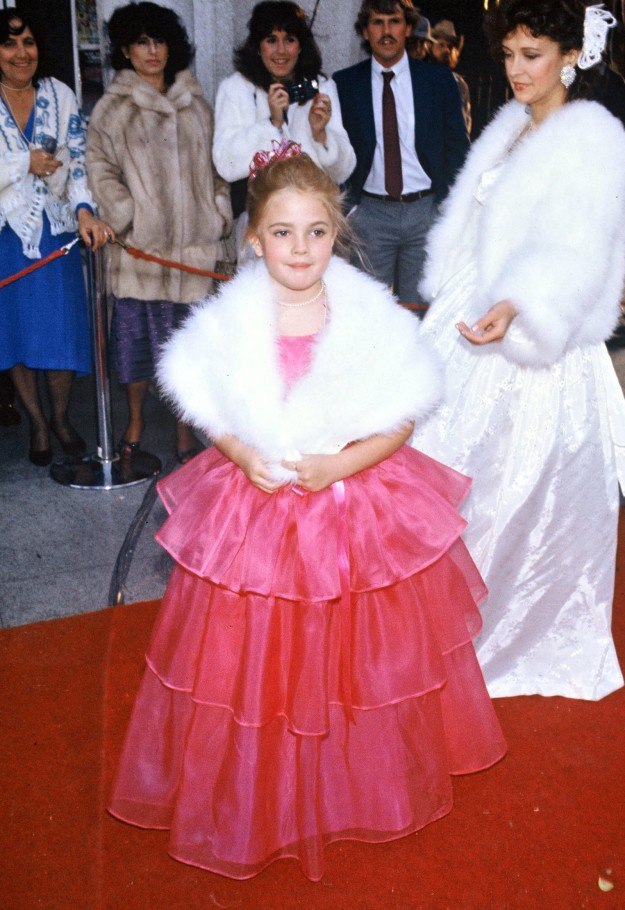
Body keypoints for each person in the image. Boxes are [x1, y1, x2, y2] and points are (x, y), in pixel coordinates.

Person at [107, 146, 506, 880]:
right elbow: (210, 405)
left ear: (337, 233)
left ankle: (350, 780)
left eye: (316, 232)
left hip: (352, 504)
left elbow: (403, 415)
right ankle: (263, 789)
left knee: (357, 656)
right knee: (256, 657)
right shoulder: (227, 322)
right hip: (254, 510)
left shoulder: (369, 317)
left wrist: (338, 466)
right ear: (254, 239)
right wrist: (239, 454)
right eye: (283, 233)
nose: (300, 249)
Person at [412, 0, 625, 700]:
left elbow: (580, 251)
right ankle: (434, 629)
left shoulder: (591, 136)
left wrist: (515, 306)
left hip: (538, 334)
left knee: (515, 488)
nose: (514, 70)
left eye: (530, 55)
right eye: (506, 55)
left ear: (569, 55)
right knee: (443, 468)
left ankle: (503, 631)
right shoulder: (507, 127)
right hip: (469, 311)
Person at [87, 2, 232, 465]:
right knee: (134, 348)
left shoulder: (198, 105)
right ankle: (134, 421)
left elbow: (220, 171)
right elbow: (99, 168)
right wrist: (127, 215)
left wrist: (219, 213)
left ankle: (184, 429)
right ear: (126, 51)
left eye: (160, 40)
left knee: (188, 349)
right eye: (142, 43)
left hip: (192, 256)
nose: (153, 51)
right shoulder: (112, 109)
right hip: (141, 256)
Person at [0, 11, 112, 466]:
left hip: (58, 232)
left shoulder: (60, 95)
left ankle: (62, 417)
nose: (21, 53)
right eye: (9, 44)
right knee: (19, 335)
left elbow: (80, 161)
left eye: (28, 41)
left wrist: (85, 208)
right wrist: (23, 163)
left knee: (60, 333)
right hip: (7, 236)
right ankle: (38, 424)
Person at [333, 0, 469, 310]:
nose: (386, 31)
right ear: (365, 31)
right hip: (370, 214)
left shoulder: (437, 82)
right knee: (367, 313)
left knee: (420, 314)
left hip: (424, 212)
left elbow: (457, 147)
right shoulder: (344, 84)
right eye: (377, 23)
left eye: (393, 21)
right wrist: (350, 208)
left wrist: (444, 204)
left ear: (408, 28)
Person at [213, 0, 355, 256]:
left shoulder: (322, 87)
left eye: (289, 39)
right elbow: (225, 164)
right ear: (257, 46)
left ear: (301, 46)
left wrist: (321, 134)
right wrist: (271, 124)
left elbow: (343, 170)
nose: (281, 51)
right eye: (271, 40)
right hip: (261, 226)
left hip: (313, 222)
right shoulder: (236, 88)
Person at [431, 19, 472, 135]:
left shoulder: (459, 84)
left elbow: (464, 127)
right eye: (441, 45)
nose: (446, 50)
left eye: (449, 46)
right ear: (429, 46)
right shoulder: (419, 77)